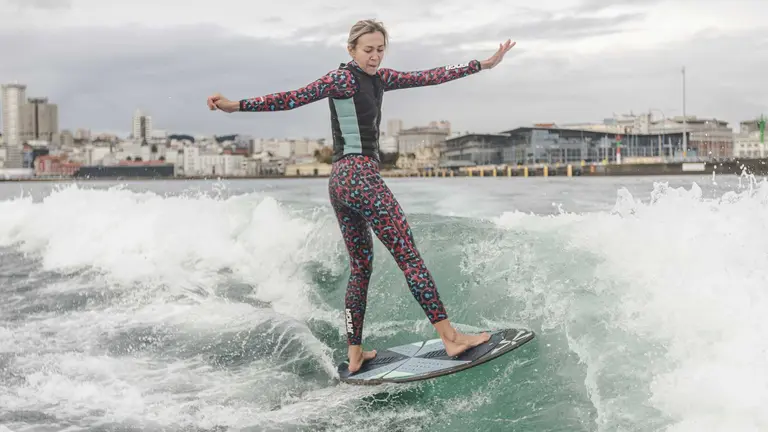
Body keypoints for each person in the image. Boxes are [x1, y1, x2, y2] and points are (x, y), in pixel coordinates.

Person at [207, 19, 515, 373]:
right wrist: (236, 106)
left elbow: (429, 75)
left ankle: (355, 353)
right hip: (359, 175)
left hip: (339, 181)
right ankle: (450, 337)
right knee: (408, 254)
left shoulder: (381, 79)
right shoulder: (341, 78)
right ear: (351, 49)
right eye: (368, 50)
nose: (375, 56)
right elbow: (292, 98)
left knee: (361, 268)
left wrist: (482, 64)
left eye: (380, 49)